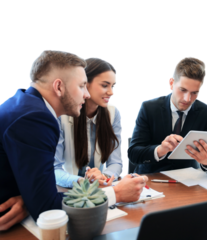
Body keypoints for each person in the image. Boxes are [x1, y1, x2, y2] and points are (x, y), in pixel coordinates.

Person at [0, 49, 147, 231]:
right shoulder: (37, 118)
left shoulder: (24, 103)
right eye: (81, 86)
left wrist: (28, 199)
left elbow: (36, 191)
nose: (85, 95)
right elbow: (47, 209)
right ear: (59, 87)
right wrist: (115, 193)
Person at [128, 55, 207, 174]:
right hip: (150, 178)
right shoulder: (149, 108)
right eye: (183, 90)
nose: (187, 99)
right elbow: (133, 153)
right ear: (171, 83)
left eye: (194, 93)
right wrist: (160, 150)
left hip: (188, 180)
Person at [54, 56, 122, 188]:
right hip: (67, 189)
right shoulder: (61, 114)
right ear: (85, 83)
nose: (111, 92)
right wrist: (82, 181)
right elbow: (54, 169)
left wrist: (104, 176)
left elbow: (116, 162)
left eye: (113, 86)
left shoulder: (113, 112)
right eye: (104, 85)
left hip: (99, 187)